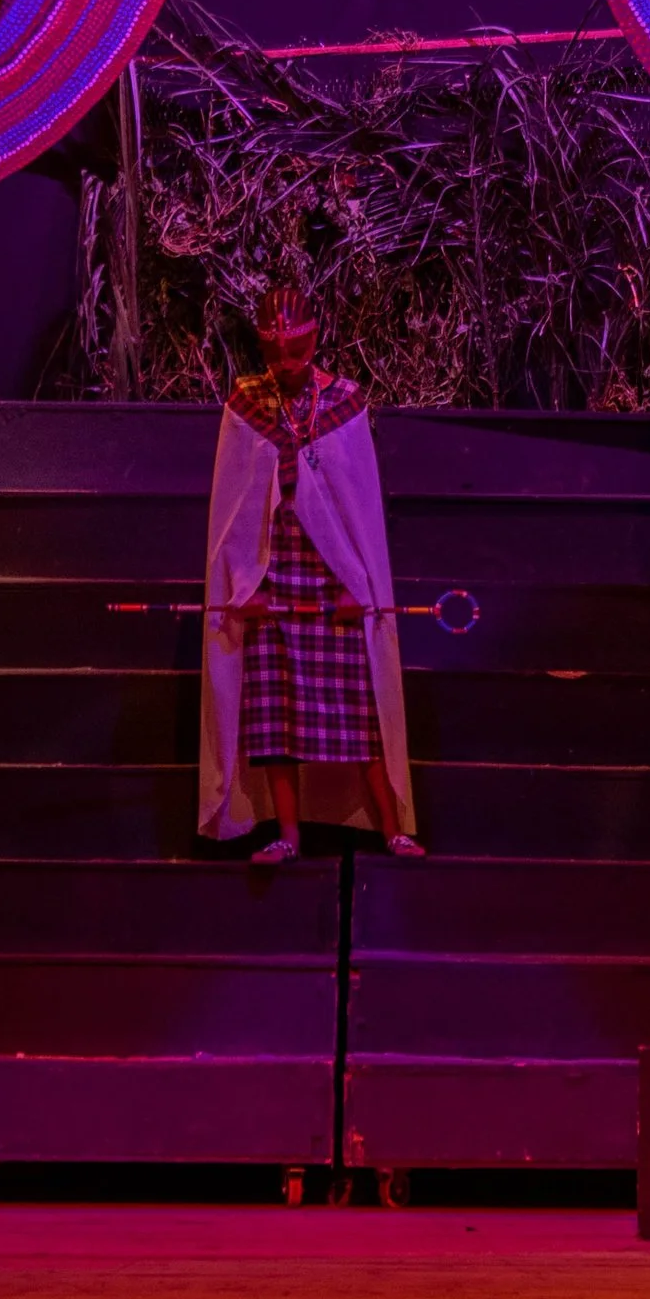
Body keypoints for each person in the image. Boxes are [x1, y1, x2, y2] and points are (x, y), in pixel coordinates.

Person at [198, 282, 422, 863]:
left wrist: (357, 585)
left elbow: (357, 510)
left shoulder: (345, 401)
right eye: (276, 355)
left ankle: (392, 827)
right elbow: (237, 510)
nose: (288, 366)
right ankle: (288, 834)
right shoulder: (246, 401)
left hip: (333, 579)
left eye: (297, 352)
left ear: (315, 338)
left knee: (360, 714)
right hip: (271, 578)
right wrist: (241, 585)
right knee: (275, 721)